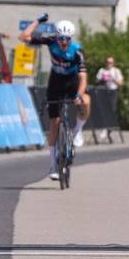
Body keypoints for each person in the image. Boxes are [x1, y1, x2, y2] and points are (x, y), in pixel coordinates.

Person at [21, 15, 90, 170]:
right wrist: (37, 21)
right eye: (61, 38)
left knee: (86, 101)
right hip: (56, 82)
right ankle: (53, 165)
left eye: (67, 39)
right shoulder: (50, 40)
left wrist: (79, 94)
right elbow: (23, 37)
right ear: (56, 37)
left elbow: (83, 77)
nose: (63, 42)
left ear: (71, 38)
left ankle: (77, 130)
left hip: (73, 82)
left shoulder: (77, 51)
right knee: (54, 123)